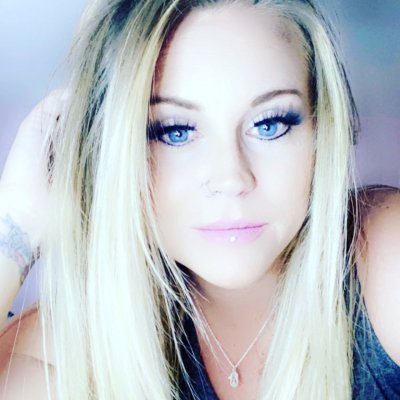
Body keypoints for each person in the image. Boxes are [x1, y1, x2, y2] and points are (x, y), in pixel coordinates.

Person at [0, 0, 399, 399]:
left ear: (321, 130)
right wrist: (18, 219)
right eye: (176, 132)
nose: (230, 178)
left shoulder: (383, 257)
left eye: (269, 124)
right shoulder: (60, 355)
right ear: (113, 149)